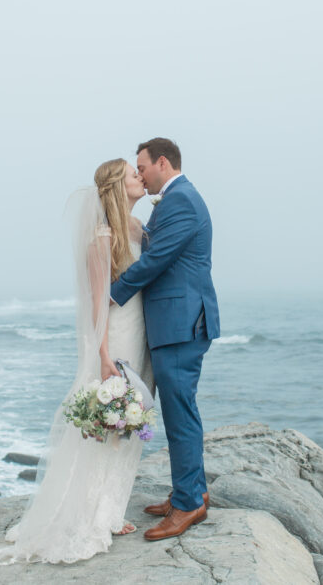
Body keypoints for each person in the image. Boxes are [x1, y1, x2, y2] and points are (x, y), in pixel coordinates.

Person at [0, 158, 154, 566]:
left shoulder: (139, 229)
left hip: (141, 333)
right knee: (109, 421)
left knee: (129, 420)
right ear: (115, 188)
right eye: (132, 175)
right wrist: (104, 355)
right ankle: (93, 515)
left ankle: (111, 509)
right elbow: (97, 302)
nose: (140, 178)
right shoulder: (101, 237)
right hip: (117, 337)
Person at [110, 137, 220, 541]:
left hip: (181, 323)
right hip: (174, 322)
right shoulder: (175, 200)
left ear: (162, 162)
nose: (139, 174)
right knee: (180, 411)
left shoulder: (181, 200)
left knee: (179, 413)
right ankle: (188, 492)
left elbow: (157, 260)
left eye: (142, 167)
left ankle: (189, 505)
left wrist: (112, 294)